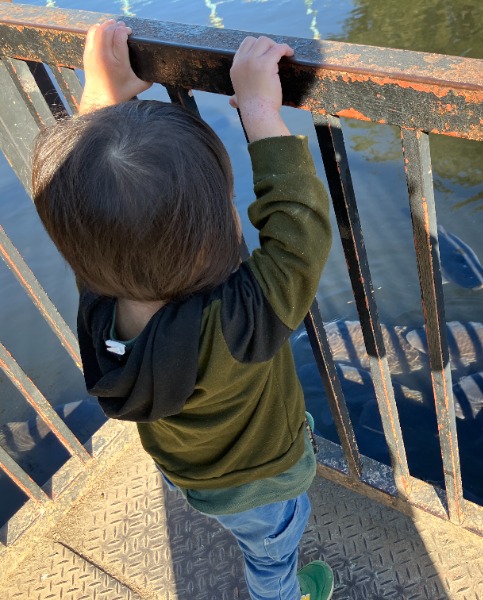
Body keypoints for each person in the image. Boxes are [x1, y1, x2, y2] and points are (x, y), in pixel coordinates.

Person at [31, 19, 334, 600]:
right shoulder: (239, 321)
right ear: (221, 227)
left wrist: (99, 103)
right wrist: (259, 110)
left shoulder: (101, 305)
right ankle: (283, 593)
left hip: (191, 474)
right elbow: (304, 231)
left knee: (252, 533)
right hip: (264, 481)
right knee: (272, 553)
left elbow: (96, 227)